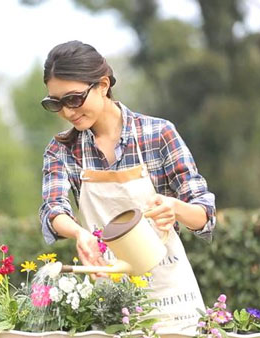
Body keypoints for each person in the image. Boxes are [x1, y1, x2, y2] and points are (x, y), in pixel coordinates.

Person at [38, 40, 216, 330]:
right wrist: (80, 234)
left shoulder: (159, 134)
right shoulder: (61, 150)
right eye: (55, 103)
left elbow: (204, 215)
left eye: (74, 99)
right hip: (108, 295)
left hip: (170, 294)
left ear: (103, 85)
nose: (68, 112)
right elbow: (53, 209)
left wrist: (175, 208)